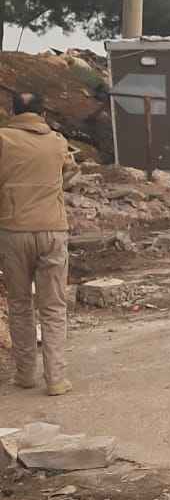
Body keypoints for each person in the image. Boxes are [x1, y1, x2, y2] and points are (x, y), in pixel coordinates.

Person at [0, 92, 72, 395]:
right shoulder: (57, 142)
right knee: (53, 306)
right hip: (52, 230)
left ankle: (26, 374)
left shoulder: (3, 140)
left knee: (19, 304)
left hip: (13, 230)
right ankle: (55, 378)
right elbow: (66, 172)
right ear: (43, 114)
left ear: (12, 112)